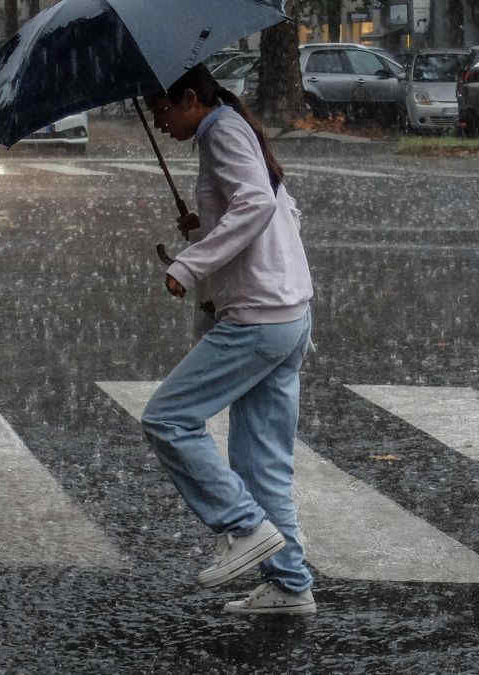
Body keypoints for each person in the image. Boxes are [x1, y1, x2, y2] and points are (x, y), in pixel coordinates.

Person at [141, 63, 316, 616]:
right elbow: (267, 208)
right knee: (262, 462)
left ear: (190, 97)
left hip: (258, 318)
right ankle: (291, 585)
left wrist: (191, 265)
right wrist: (204, 228)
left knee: (167, 418)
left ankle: (244, 527)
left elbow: (257, 206)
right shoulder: (232, 128)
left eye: (163, 110)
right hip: (288, 314)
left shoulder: (220, 130)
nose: (160, 123)